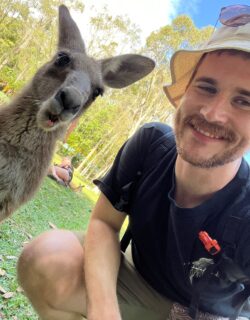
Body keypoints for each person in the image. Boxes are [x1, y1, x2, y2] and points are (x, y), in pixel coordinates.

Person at [17, 5, 250, 320]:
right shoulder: (152, 144)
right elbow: (103, 222)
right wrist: (105, 311)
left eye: (243, 101)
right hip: (132, 281)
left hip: (201, 314)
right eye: (206, 87)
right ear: (184, 92)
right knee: (46, 257)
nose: (212, 113)